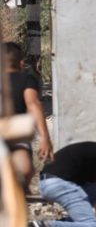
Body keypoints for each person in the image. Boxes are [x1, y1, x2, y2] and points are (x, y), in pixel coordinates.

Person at [3, 42, 53, 187]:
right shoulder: (26, 79)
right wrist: (45, 137)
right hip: (17, 132)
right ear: (21, 63)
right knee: (25, 170)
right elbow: (33, 105)